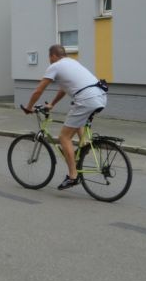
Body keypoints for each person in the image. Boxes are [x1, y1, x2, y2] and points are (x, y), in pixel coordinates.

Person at [21, 44, 107, 190]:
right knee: (75, 116)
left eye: (49, 57)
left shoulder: (55, 66)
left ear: (53, 55)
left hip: (86, 99)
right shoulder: (73, 62)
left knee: (64, 137)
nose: (49, 60)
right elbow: (63, 89)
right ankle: (83, 144)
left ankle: (73, 176)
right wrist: (52, 104)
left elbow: (38, 90)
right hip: (100, 96)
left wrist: (29, 107)